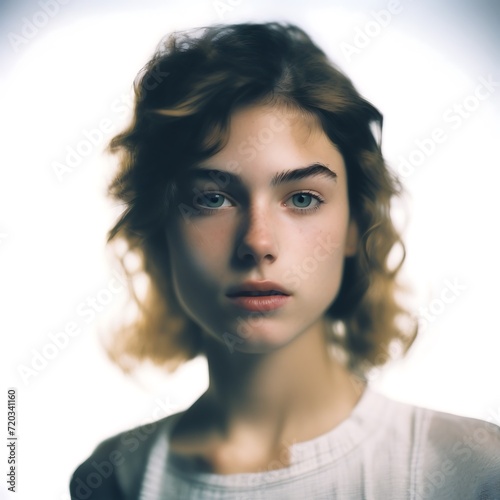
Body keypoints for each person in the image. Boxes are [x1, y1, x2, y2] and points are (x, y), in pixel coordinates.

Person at [70, 22, 500, 499]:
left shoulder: (474, 471)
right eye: (211, 199)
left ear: (356, 225)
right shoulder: (115, 477)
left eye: (301, 198)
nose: (257, 242)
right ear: (158, 228)